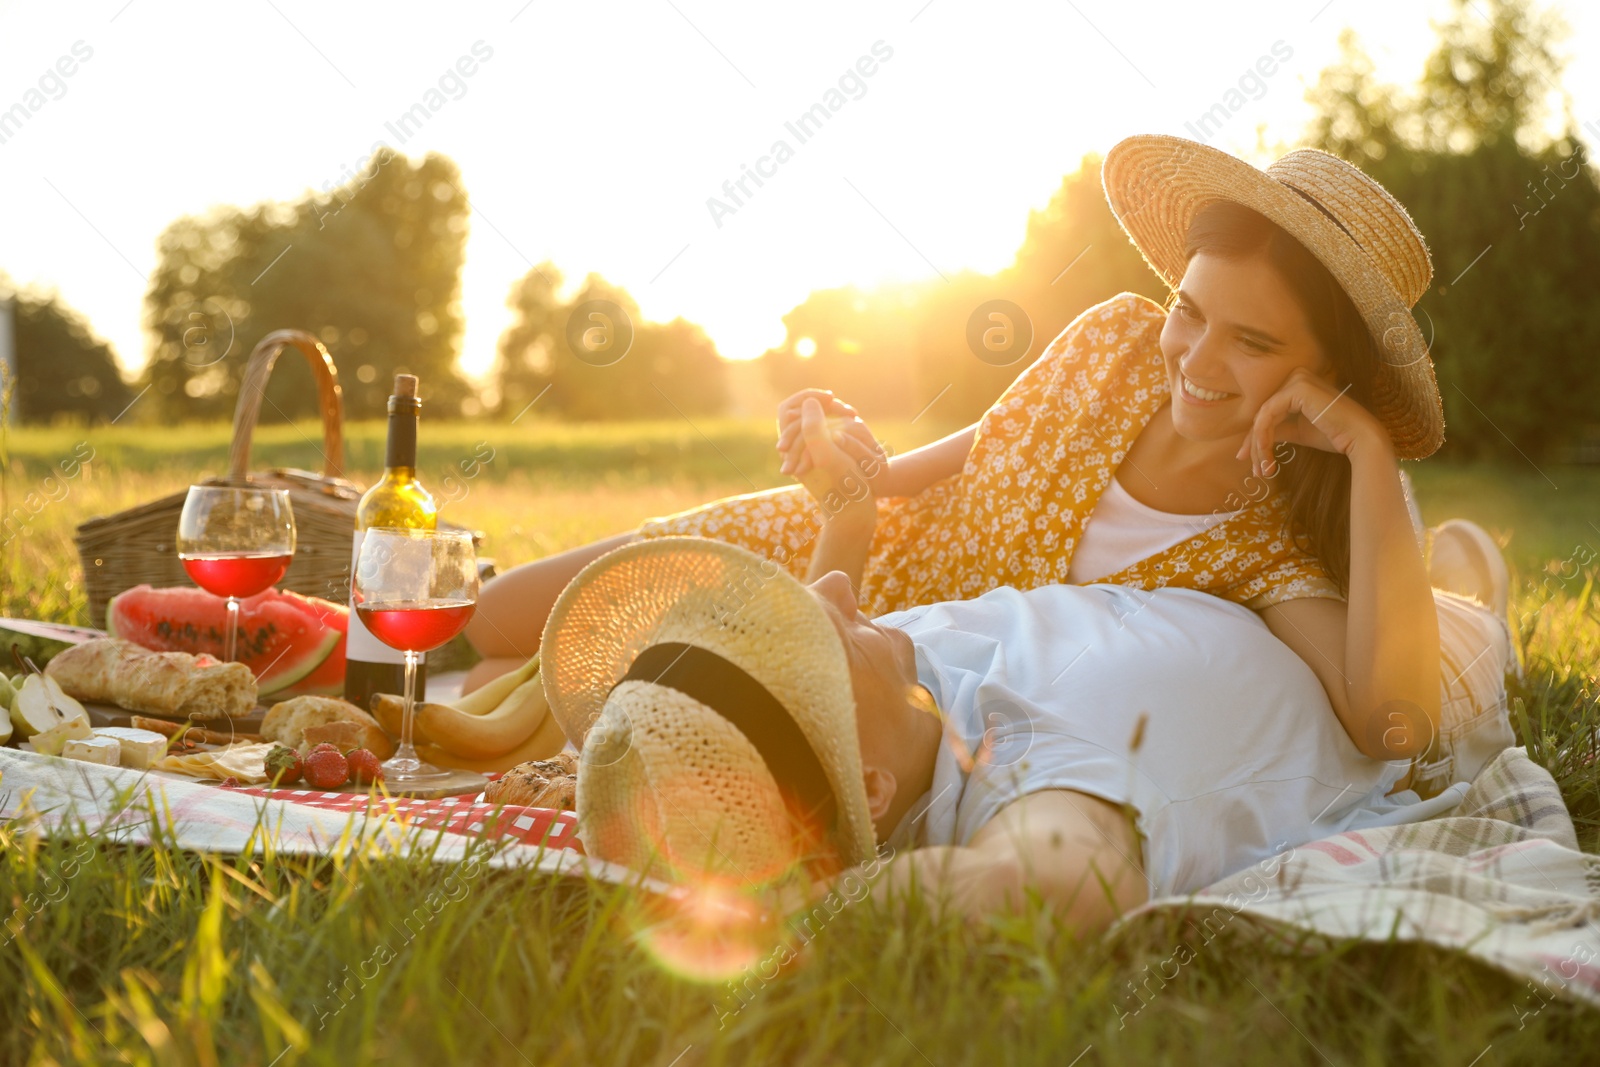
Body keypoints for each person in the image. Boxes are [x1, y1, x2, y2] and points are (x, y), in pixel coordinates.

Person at [469, 134, 1515, 795]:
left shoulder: (1261, 545)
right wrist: (850, 462)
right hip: (831, 545)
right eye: (1190, 312)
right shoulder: (1111, 339)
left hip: (879, 659)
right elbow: (951, 460)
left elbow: (1396, 723)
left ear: (1326, 377)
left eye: (1252, 343)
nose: (1194, 360)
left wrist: (1372, 458)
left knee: (626, 716)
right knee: (499, 614)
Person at [540, 536, 1473, 933]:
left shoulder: (897, 682)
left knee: (1446, 592)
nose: (835, 588)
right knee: (1471, 624)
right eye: (825, 640)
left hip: (1257, 604)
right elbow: (1059, 886)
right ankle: (1472, 591)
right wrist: (782, 911)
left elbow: (707, 745)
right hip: (1405, 664)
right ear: (867, 791)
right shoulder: (1027, 758)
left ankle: (1461, 580)